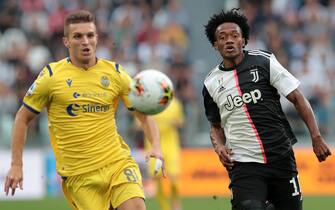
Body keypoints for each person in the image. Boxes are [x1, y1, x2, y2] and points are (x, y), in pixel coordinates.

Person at [3, 10, 166, 210]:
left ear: (97, 38)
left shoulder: (115, 73)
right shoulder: (51, 76)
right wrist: (17, 165)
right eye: (78, 36)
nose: (85, 41)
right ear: (66, 42)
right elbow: (22, 118)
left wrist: (156, 145)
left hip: (117, 162)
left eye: (90, 35)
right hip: (79, 175)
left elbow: (143, 113)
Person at [202, 8, 332, 210]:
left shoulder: (264, 62)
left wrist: (315, 137)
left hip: (280, 156)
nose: (229, 40)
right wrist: (219, 147)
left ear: (243, 40)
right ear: (215, 44)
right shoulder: (210, 83)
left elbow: (297, 98)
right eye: (222, 37)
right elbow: (215, 126)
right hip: (243, 163)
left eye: (235, 36)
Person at [145, 97, 184, 210]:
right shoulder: (147, 104)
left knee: (174, 178)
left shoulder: (175, 103)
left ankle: (175, 202)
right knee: (157, 179)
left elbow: (181, 122)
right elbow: (138, 123)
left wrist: (172, 122)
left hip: (171, 145)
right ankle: (164, 207)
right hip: (153, 145)